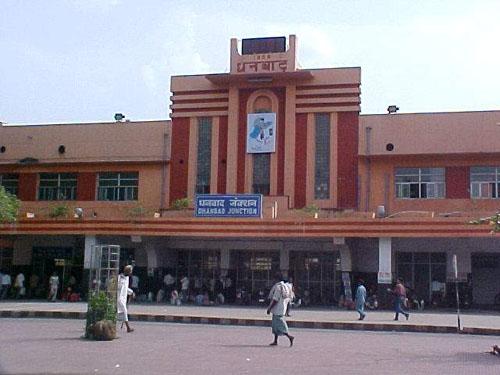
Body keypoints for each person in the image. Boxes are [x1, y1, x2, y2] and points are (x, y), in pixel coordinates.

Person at [266, 276, 295, 347]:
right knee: (275, 326)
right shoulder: (287, 287)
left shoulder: (278, 287)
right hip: (282, 308)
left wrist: (269, 308)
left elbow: (275, 299)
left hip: (277, 309)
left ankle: (289, 336)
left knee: (280, 325)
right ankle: (275, 341)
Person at [117, 265, 135, 333]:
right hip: (118, 297)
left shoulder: (127, 278)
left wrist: (131, 292)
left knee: (117, 312)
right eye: (130, 271)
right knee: (124, 311)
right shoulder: (119, 277)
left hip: (123, 298)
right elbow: (117, 287)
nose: (131, 273)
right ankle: (128, 327)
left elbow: (125, 289)